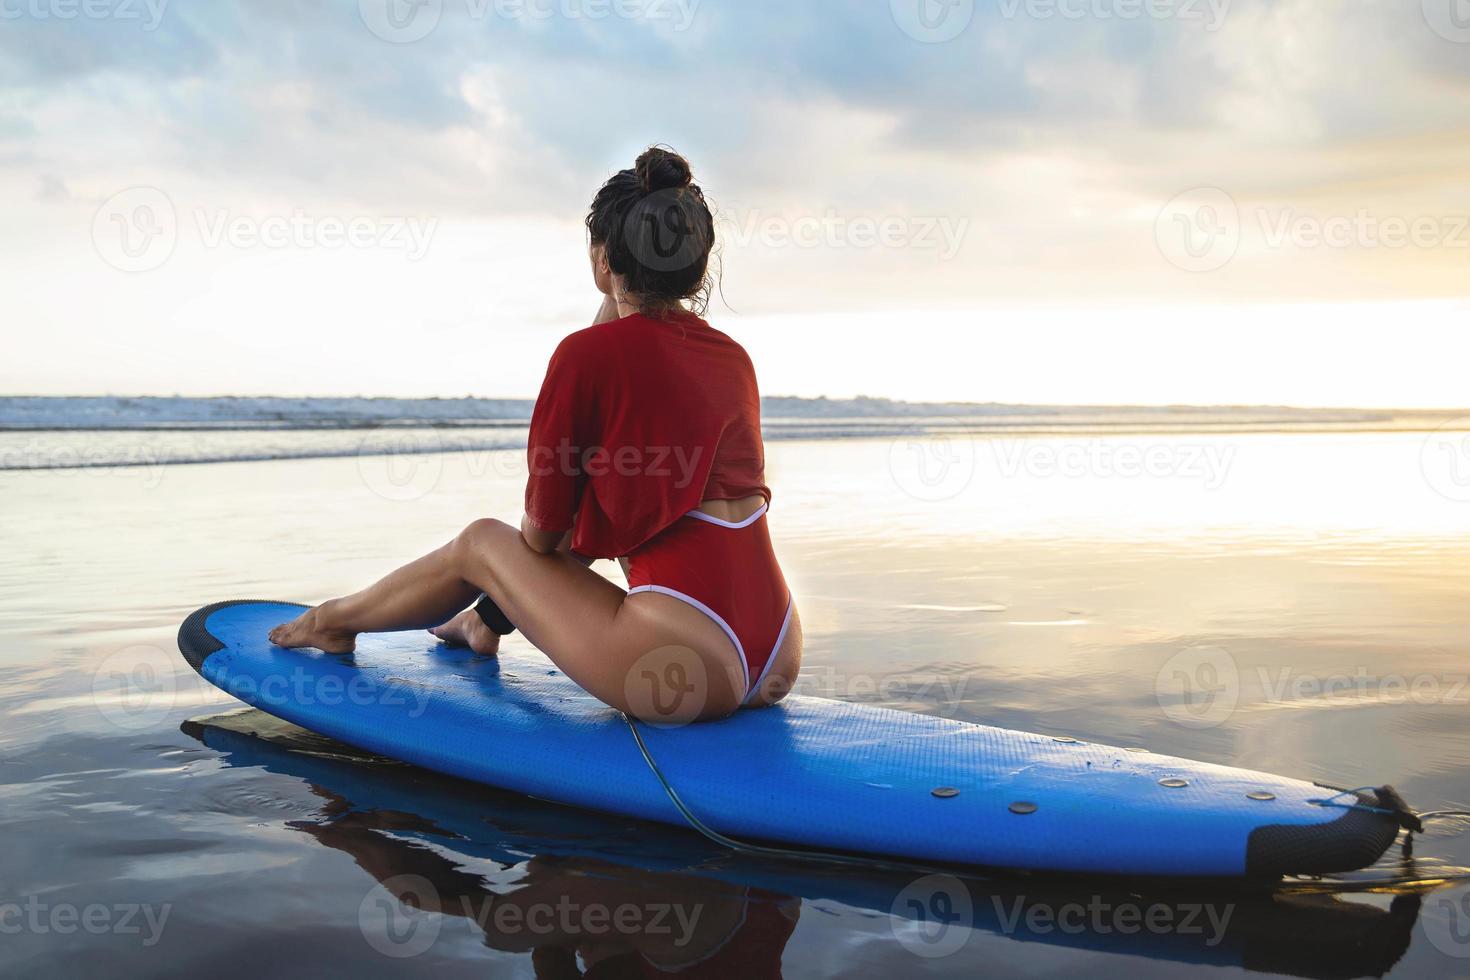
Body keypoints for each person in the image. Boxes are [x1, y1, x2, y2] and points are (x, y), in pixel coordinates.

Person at [269, 146, 801, 723]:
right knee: (607, 506)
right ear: (697, 264)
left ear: (602, 260)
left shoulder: (584, 357)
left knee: (481, 542)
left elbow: (545, 538)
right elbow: (614, 505)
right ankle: (481, 622)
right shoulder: (732, 359)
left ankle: (331, 622)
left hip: (682, 658)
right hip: (776, 647)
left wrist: (608, 284)